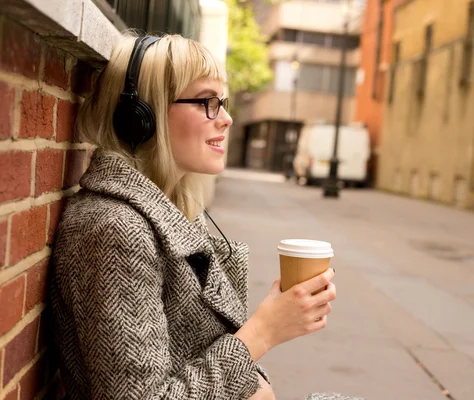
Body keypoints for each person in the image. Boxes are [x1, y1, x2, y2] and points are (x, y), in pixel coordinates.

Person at [49, 33, 339, 400]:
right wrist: (263, 331)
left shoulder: (173, 210)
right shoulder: (115, 229)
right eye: (207, 102)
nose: (227, 119)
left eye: (224, 102)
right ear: (142, 116)